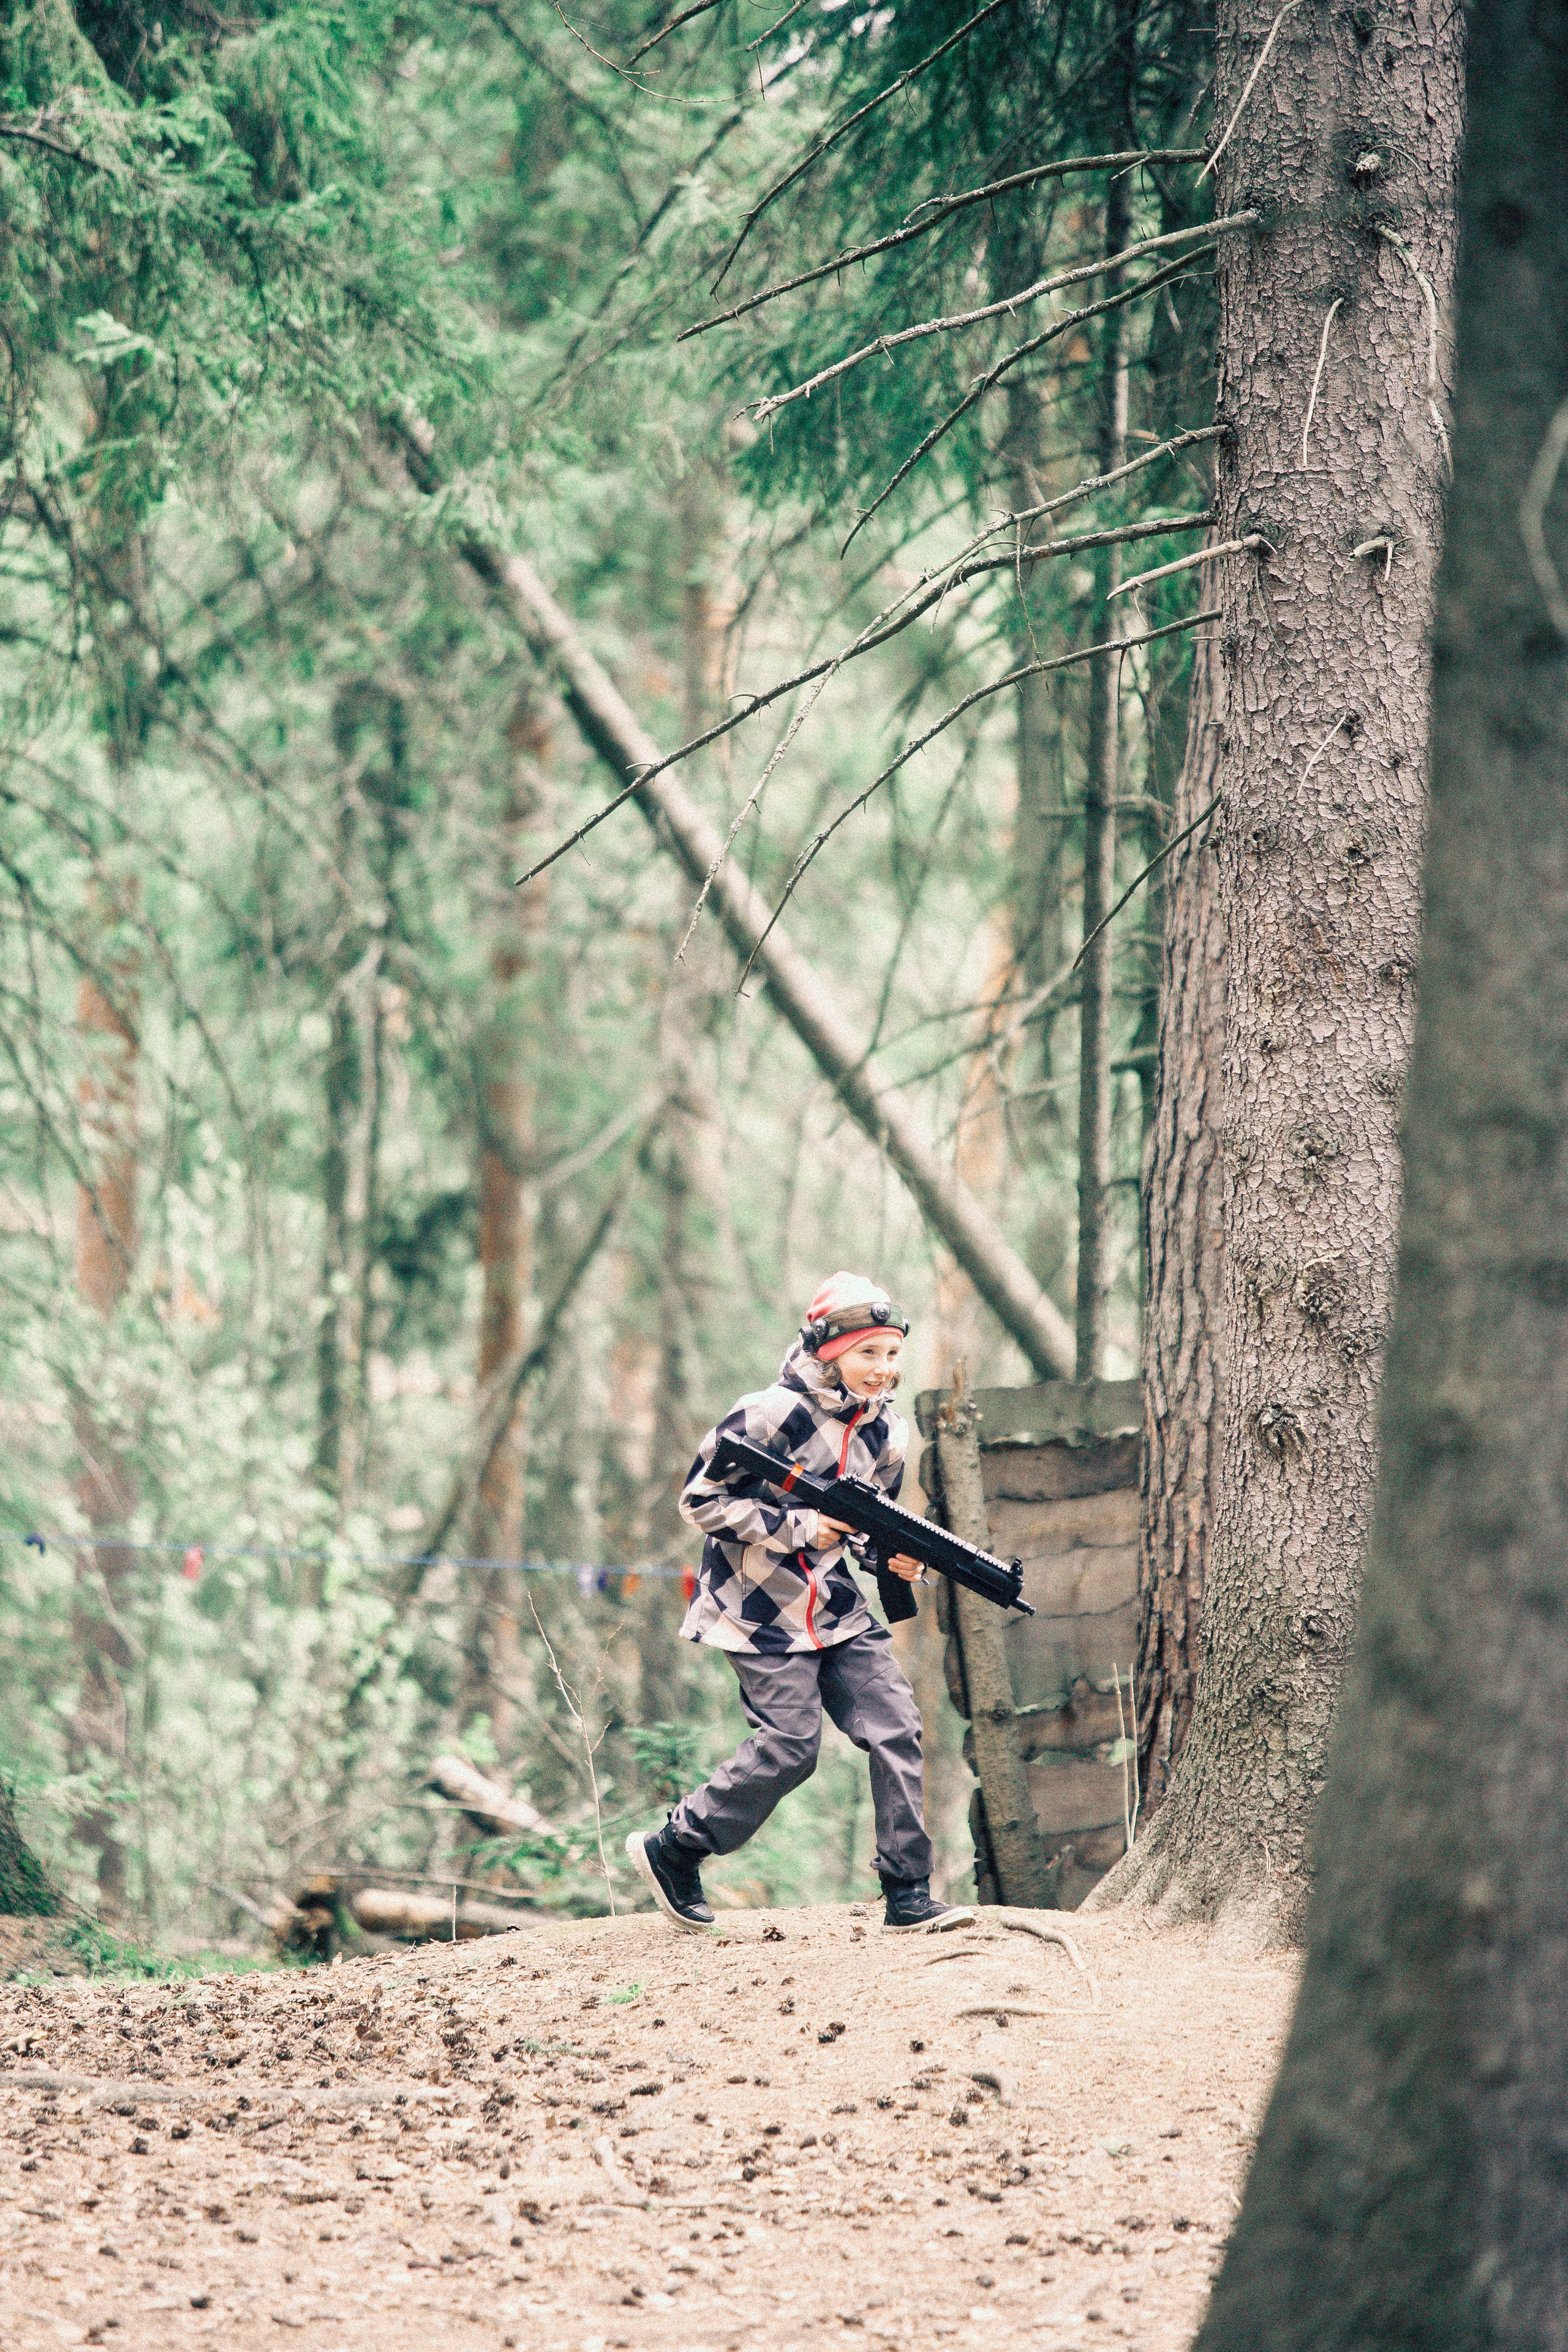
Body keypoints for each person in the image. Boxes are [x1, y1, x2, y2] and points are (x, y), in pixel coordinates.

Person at [625, 1272, 976, 1935]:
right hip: (755, 1610)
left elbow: (872, 1534)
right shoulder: (767, 1413)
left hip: (836, 1610)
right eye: (866, 1353)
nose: (882, 1369)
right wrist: (796, 1529)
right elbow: (699, 1501)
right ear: (826, 1351)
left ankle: (907, 1893)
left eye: (892, 1354)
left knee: (896, 1727)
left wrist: (894, 1559)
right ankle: (675, 1847)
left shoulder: (889, 1435)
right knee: (791, 1747)